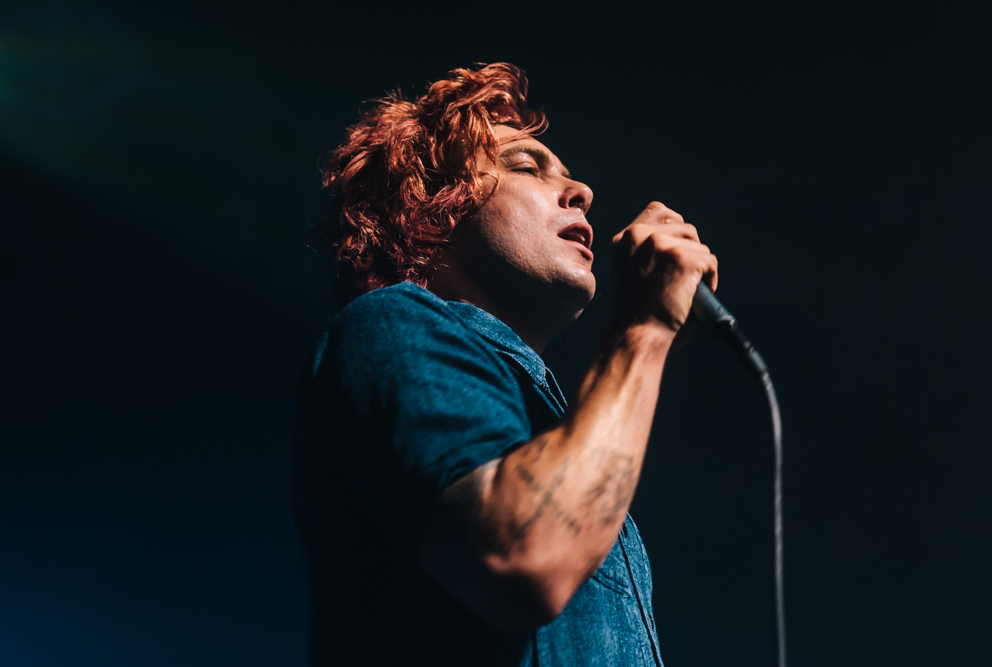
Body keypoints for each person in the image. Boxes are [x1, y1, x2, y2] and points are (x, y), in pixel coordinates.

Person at [295, 62, 718, 666]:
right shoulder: (389, 323)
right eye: (527, 167)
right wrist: (644, 330)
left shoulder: (559, 437)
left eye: (568, 174)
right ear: (431, 207)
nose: (582, 192)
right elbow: (526, 558)